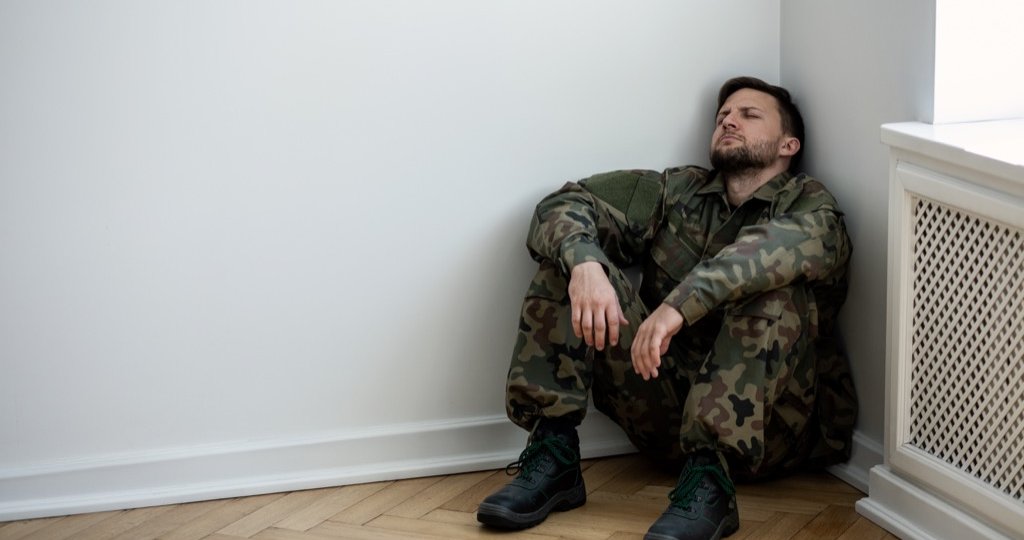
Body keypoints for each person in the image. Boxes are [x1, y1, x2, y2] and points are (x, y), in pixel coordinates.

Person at [476, 76, 857, 540]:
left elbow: (761, 255)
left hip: (771, 429)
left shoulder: (812, 206)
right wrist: (586, 264)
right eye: (723, 117)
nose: (729, 121)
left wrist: (678, 306)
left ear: (788, 144)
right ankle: (554, 457)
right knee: (570, 266)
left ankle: (712, 484)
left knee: (774, 289)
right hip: (664, 408)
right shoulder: (679, 192)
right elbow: (564, 202)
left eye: (748, 115)